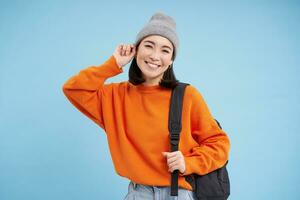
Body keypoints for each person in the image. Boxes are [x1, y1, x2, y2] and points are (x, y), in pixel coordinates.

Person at [62, 12, 230, 200]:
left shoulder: (186, 96)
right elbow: (73, 89)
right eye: (149, 46)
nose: (155, 55)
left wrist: (189, 163)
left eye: (165, 50)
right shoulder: (114, 97)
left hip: (180, 193)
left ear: (171, 60)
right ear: (136, 50)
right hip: (139, 193)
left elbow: (219, 144)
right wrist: (113, 64)